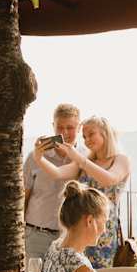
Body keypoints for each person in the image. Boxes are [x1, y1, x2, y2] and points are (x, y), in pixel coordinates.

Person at [33, 116, 130, 269]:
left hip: (102, 231)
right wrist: (38, 158)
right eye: (84, 136)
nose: (86, 140)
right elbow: (58, 173)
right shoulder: (85, 161)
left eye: (91, 134)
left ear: (105, 133)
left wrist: (78, 158)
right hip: (78, 228)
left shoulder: (121, 160)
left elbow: (109, 179)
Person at [24, 103, 82, 259]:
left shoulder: (84, 158)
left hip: (70, 237)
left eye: (69, 128)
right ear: (53, 126)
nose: (64, 133)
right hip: (36, 235)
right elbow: (24, 194)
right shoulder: (35, 157)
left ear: (79, 127)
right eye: (59, 128)